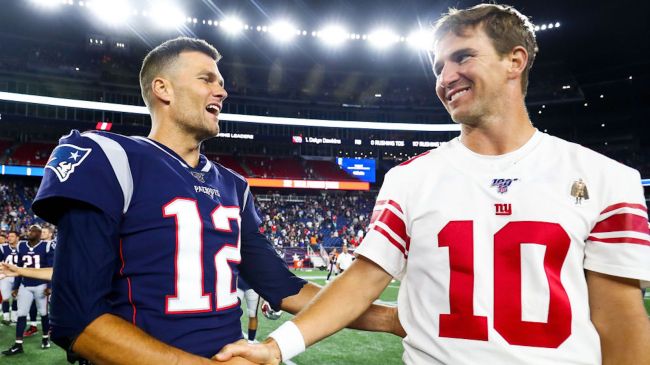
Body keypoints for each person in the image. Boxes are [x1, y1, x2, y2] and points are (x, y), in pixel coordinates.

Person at [215, 4, 650, 365]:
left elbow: (619, 320)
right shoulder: (410, 179)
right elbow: (363, 279)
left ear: (514, 61)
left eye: (463, 57)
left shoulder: (606, 179)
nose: (445, 77)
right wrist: (276, 346)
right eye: (438, 66)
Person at [31, 37, 402, 365]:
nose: (221, 91)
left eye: (222, 83)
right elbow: (77, 319)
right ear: (163, 88)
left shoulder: (233, 185)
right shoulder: (108, 156)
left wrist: (390, 318)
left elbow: (284, 288)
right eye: (206, 79)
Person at [2, 225, 54, 356]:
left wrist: (50, 286)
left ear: (38, 233)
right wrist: (16, 286)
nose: (29, 232)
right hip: (25, 284)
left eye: (32, 230)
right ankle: (18, 344)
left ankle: (45, 338)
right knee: (21, 314)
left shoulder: (47, 246)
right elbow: (19, 268)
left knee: (43, 313)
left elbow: (51, 268)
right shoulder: (22, 245)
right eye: (29, 230)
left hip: (41, 285)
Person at [0, 231, 19, 325]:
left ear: (17, 238)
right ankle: (6, 317)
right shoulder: (2, 247)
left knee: (16, 297)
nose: (9, 238)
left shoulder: (23, 247)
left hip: (18, 275)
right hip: (6, 275)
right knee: (6, 297)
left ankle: (14, 316)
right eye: (9, 236)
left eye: (12, 236)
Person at [237, 277, 260, 343]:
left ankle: (251, 342)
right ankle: (233, 338)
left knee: (252, 314)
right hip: (238, 283)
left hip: (253, 285)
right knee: (233, 313)